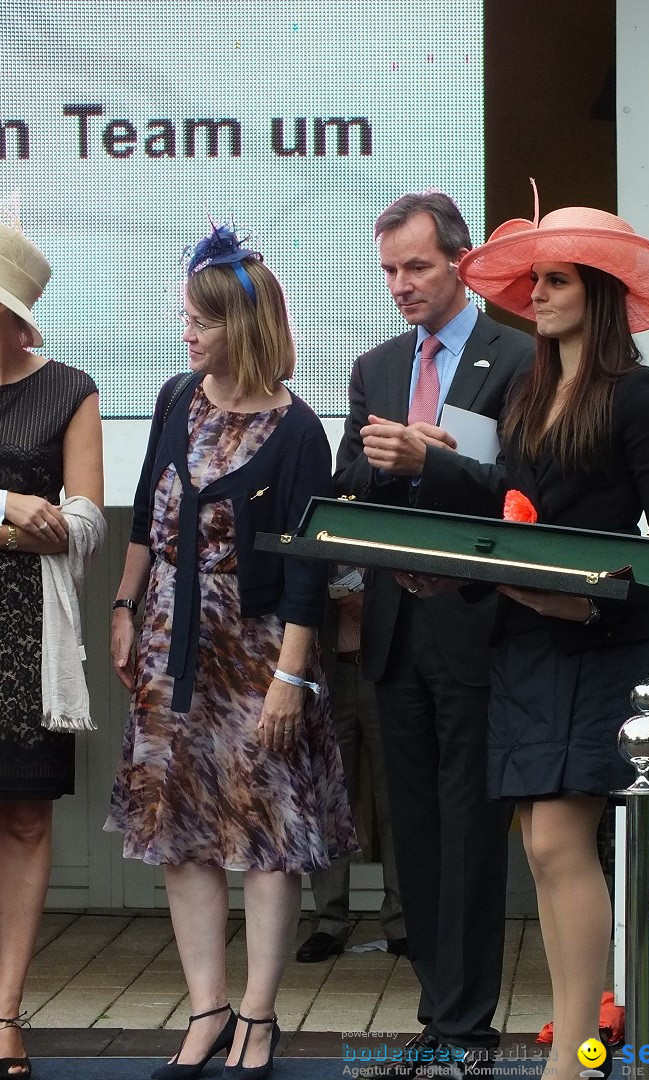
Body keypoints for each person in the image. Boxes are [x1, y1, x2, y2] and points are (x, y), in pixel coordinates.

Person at [415, 199, 649, 1080]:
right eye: (533, 279)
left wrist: (594, 606)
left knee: (555, 846)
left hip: (596, 644)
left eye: (555, 279)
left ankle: (573, 1060)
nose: (534, 293)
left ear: (599, 294)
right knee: (542, 849)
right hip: (522, 641)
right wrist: (449, 571)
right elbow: (511, 515)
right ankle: (576, 1051)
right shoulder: (529, 390)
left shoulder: (638, 393)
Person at [104, 224, 357, 1080]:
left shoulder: (298, 433)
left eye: (198, 323)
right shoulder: (178, 397)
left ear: (241, 329)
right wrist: (124, 605)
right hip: (171, 651)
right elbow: (145, 515)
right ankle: (206, 1009)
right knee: (181, 832)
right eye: (184, 319)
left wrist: (290, 677)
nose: (186, 335)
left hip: (256, 657)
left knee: (265, 832)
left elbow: (307, 569)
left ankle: (257, 1015)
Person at [334, 191, 534, 1078]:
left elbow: (526, 489)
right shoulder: (376, 367)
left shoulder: (519, 356)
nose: (400, 285)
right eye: (388, 271)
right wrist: (383, 470)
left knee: (468, 830)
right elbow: (346, 491)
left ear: (459, 261)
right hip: (393, 627)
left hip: (475, 626)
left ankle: (469, 1027)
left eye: (416, 267)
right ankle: (434, 1017)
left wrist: (436, 462)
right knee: (412, 834)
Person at [0, 217, 103, 1080]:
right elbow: (32, 519)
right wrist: (8, 509)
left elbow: (88, 522)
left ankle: (4, 1013)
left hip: (32, 634)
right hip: (18, 574)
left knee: (27, 819)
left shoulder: (69, 386)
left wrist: (49, 524)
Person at [297, 572, 406, 963]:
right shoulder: (316, 512)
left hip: (388, 671)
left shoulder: (385, 510)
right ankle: (328, 923)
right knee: (329, 799)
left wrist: (375, 602)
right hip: (329, 670)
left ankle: (404, 923)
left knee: (398, 797)